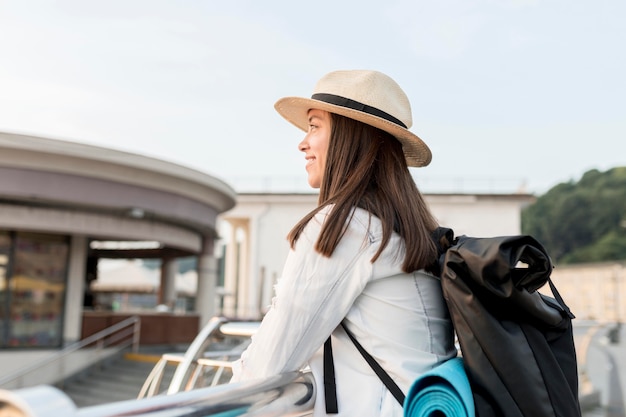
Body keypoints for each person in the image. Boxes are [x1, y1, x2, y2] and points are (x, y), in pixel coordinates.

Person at [230, 70, 457, 416]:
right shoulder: (406, 229)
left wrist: (215, 405)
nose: (302, 143)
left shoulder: (346, 227)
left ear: (349, 138)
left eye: (314, 126)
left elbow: (267, 366)